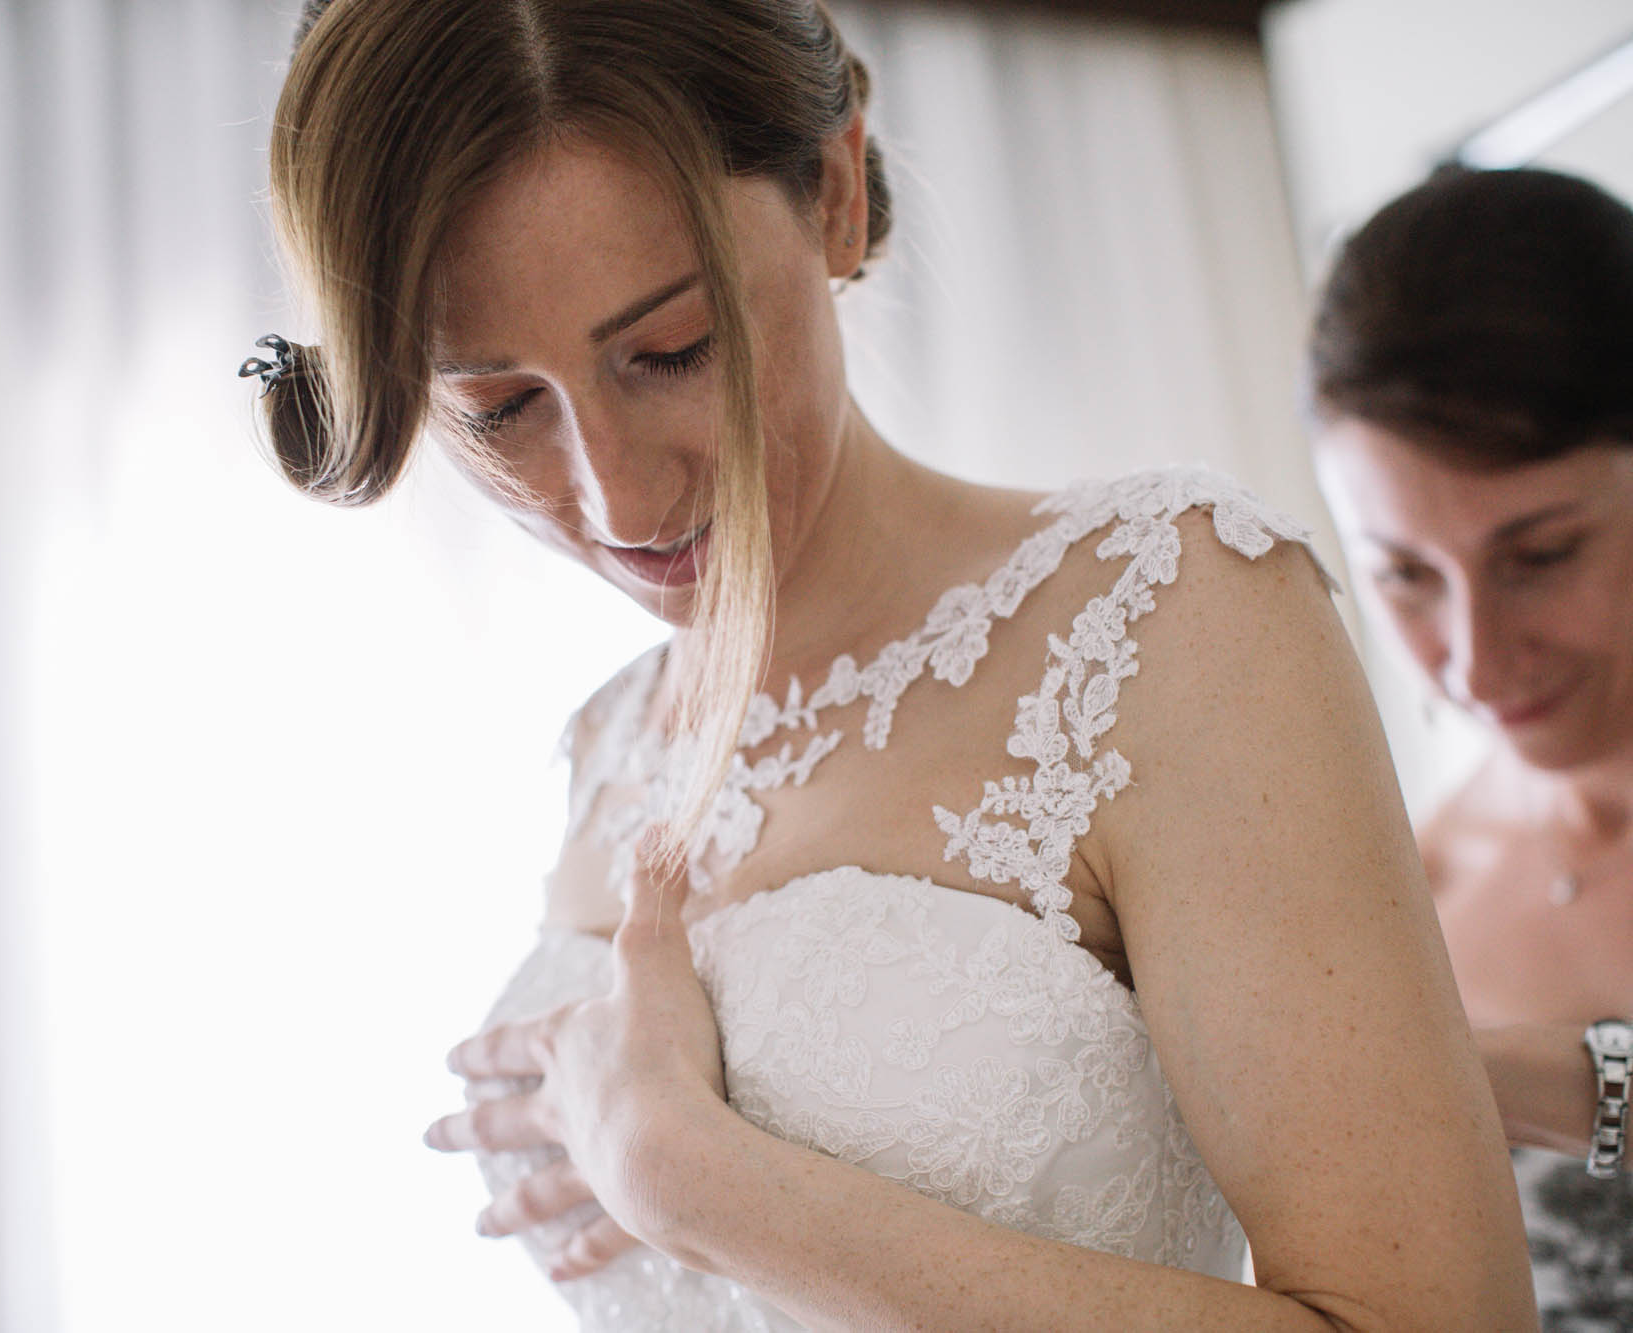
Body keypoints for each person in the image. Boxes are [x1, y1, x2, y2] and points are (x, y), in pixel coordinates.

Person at [251, 1, 1537, 1326]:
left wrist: (706, 1187)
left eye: (675, 349)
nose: (621, 502)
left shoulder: (1165, 615)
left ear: (841, 193)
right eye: (500, 409)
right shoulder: (609, 746)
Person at [1308, 163, 1633, 1329]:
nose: (1476, 664)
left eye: (1538, 554)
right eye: (1402, 575)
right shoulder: (1415, 889)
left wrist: (1552, 1083)